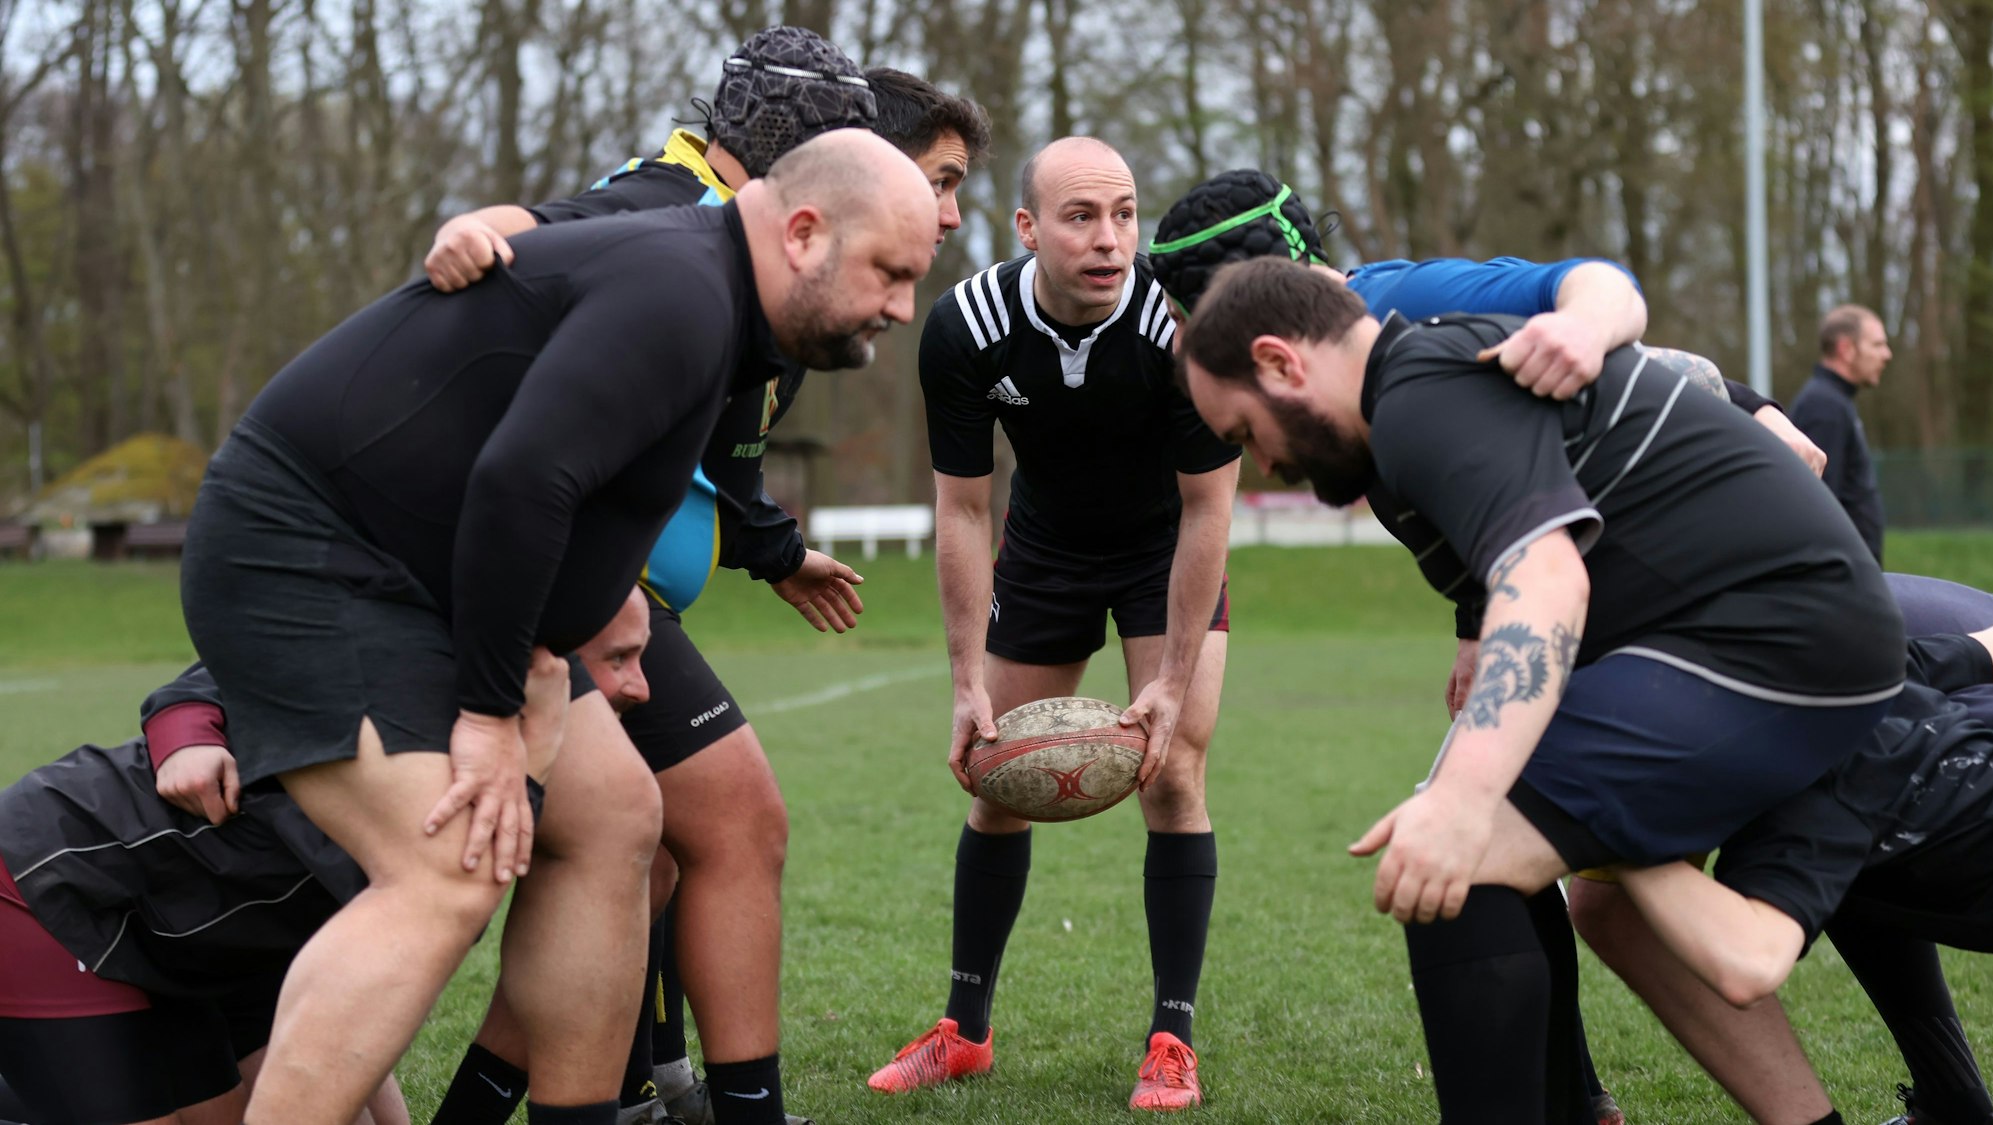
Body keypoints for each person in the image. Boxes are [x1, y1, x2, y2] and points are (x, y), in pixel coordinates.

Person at [177, 130, 938, 1125]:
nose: (899, 307)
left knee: (617, 816)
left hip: (420, 574)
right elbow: (523, 479)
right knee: (444, 868)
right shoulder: (683, 291)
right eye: (890, 273)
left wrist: (557, 631)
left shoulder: (708, 293)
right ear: (800, 233)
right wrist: (491, 714)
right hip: (301, 554)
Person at [1146, 167, 1837, 1125]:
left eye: (1248, 431)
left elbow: (1600, 304)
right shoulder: (1377, 387)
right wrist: (1478, 628)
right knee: (1543, 877)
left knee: (1466, 846)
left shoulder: (1401, 322)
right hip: (1689, 618)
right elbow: (1498, 504)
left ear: (1271, 330)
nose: (1263, 463)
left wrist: (1735, 401)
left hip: (1731, 614)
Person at [418, 40, 991, 1125]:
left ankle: (616, 1091)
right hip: (569, 594)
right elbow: (540, 226)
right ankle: (729, 1106)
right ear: (837, 163)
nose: (945, 210)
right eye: (938, 178)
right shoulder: (681, 203)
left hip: (616, 596)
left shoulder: (762, 258)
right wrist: (476, 230)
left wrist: (773, 551)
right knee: (729, 827)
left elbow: (724, 450)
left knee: (640, 864)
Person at [864, 137, 1234, 1113]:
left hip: (1165, 547)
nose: (1109, 239)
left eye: (1122, 213)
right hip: (1045, 549)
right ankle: (964, 1030)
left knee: (1175, 769)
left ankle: (1170, 1038)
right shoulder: (966, 328)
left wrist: (1170, 678)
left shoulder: (1180, 322)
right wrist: (961, 680)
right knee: (994, 778)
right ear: (1026, 228)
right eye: (1079, 217)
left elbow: (1209, 509)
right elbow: (961, 510)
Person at [0, 649, 580, 1125]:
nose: (639, 687)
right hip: (53, 888)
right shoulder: (406, 672)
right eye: (620, 661)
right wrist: (186, 736)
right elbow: (450, 887)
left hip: (203, 947)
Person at [1567, 574, 1993, 1125]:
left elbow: (1746, 964)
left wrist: (1603, 821)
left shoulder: (1814, 805)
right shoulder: (1845, 656)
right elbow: (1987, 646)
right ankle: (1956, 1106)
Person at [1790, 304, 1893, 563]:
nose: (1887, 355)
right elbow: (1818, 506)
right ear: (1846, 349)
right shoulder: (1824, 406)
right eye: (1877, 345)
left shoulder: (1835, 401)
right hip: (1844, 578)